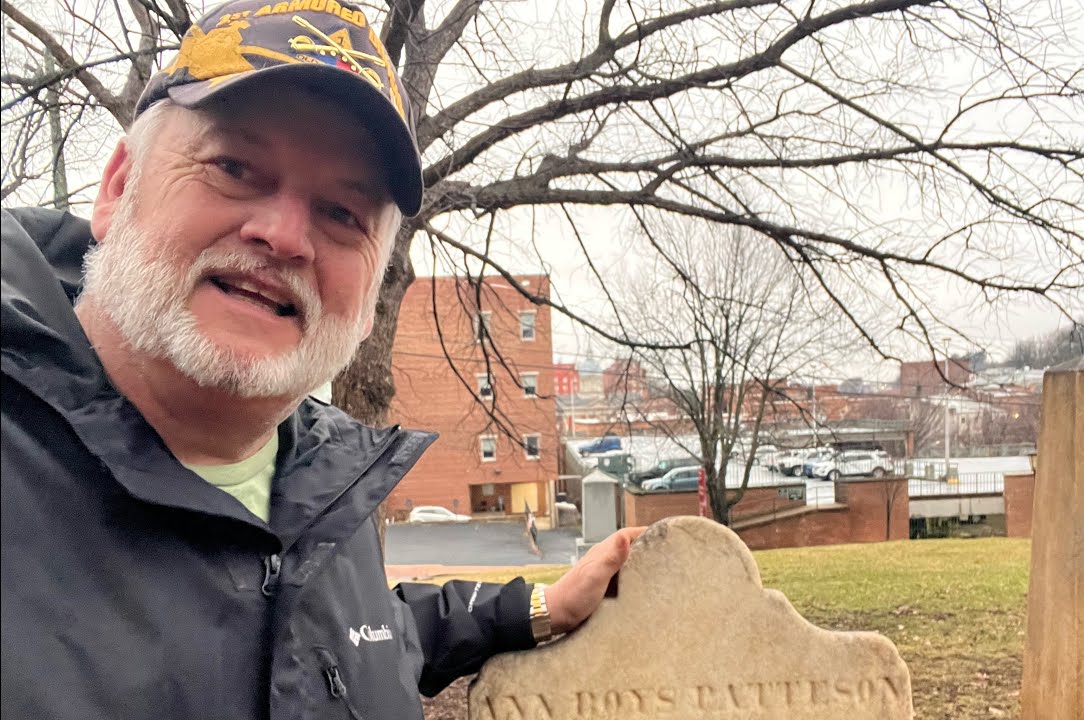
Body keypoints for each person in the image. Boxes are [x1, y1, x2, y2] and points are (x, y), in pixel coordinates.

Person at [0, 2, 645, 718]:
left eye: (342, 213)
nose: (283, 236)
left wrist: (539, 606)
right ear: (119, 186)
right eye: (235, 167)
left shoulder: (323, 483)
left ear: (368, 300)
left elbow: (353, 640)